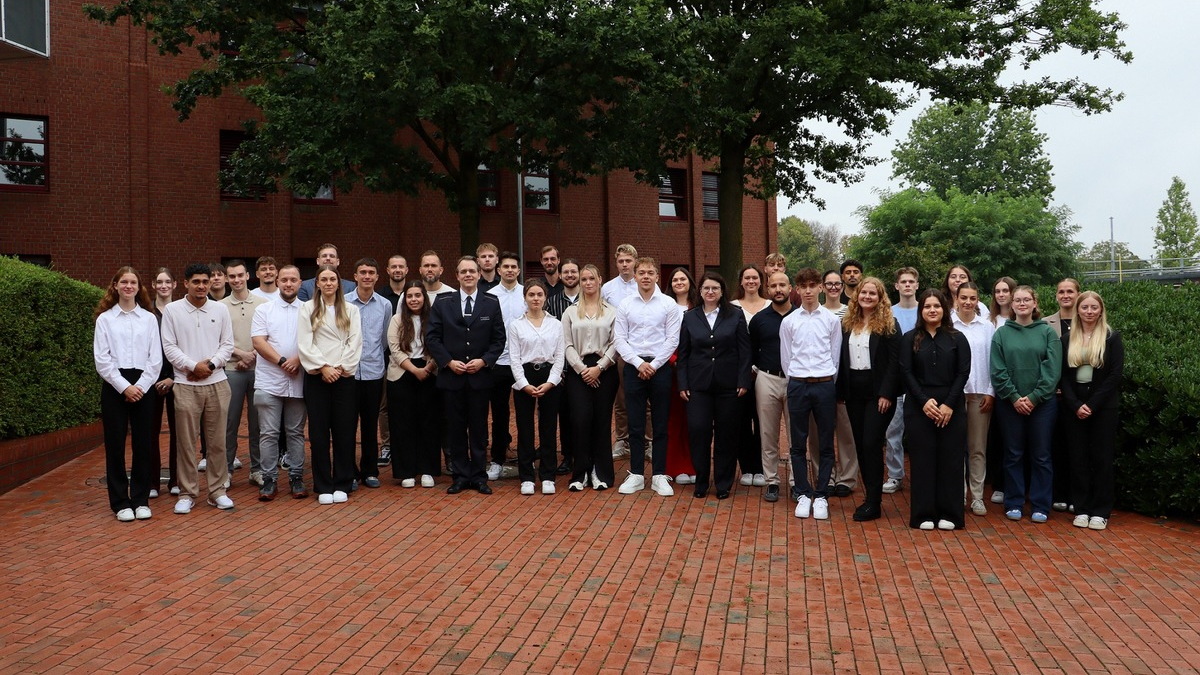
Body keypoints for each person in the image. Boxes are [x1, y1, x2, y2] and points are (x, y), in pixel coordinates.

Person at [427, 256, 507, 494]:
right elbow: (432, 337)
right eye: (464, 272)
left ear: (479, 274)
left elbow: (499, 339)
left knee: (479, 429)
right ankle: (461, 476)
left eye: (472, 271)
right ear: (457, 275)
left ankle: (479, 476)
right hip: (452, 377)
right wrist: (448, 362)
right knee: (456, 428)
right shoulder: (443, 302)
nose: (468, 275)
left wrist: (484, 361)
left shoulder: (491, 303)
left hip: (480, 378)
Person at [160, 263, 235, 514]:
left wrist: (210, 366)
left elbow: (227, 344)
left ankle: (217, 491)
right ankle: (187, 493)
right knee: (186, 443)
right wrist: (193, 366)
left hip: (217, 383)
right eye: (196, 282)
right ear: (186, 283)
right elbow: (169, 347)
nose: (201, 286)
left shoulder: (220, 309)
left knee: (217, 442)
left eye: (205, 281)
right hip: (185, 384)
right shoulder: (172, 310)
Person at [94, 267, 162, 521]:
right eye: (124, 282)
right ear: (115, 285)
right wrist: (125, 387)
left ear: (138, 287)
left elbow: (155, 358)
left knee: (144, 443)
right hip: (115, 386)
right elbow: (102, 360)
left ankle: (141, 499)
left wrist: (140, 386)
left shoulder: (149, 319)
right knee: (115, 445)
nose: (128, 286)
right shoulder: (105, 320)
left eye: (133, 282)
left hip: (144, 384)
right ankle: (121, 502)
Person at [900, 289, 971, 530]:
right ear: (921, 310)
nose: (932, 310)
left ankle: (950, 514)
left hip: (951, 406)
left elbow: (963, 372)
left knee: (951, 460)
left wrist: (949, 404)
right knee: (922, 460)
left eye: (937, 306)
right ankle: (923, 514)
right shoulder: (910, 338)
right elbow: (906, 372)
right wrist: (923, 401)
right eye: (927, 306)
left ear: (944, 309)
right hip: (919, 406)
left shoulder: (957, 338)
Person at [990, 285, 1061, 523]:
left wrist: (1034, 397)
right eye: (1018, 300)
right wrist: (1014, 397)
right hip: (1009, 404)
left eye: (1026, 299)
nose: (1022, 303)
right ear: (1011, 305)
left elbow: (1052, 370)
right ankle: (1014, 502)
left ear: (1034, 303)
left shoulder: (1047, 332)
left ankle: (1041, 505)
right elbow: (997, 370)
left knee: (1041, 455)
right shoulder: (1002, 334)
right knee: (1013, 454)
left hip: (1042, 405)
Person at [678, 272, 751, 499]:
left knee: (726, 435)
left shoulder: (735, 315)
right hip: (698, 385)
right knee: (698, 431)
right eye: (706, 288)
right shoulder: (690, 317)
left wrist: (743, 380)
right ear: (700, 291)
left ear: (722, 292)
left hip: (729, 385)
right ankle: (701, 481)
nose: (710, 292)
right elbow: (684, 353)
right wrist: (683, 383)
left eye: (715, 288)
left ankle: (723, 483)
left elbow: (745, 351)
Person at [614, 257, 682, 496]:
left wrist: (653, 365)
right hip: (633, 367)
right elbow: (619, 339)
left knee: (661, 423)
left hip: (660, 367)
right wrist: (639, 363)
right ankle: (635, 474)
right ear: (635, 276)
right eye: (641, 272)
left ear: (656, 276)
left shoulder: (668, 304)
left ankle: (659, 475)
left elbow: (672, 339)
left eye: (650, 273)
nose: (645, 276)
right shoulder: (625, 304)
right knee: (635, 423)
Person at [837, 277, 902, 522]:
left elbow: (895, 362)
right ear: (857, 295)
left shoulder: (889, 324)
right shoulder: (847, 323)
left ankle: (874, 502)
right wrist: (840, 391)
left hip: (879, 394)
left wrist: (887, 393)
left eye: (872, 293)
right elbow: (841, 357)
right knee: (861, 445)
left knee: (871, 443)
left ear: (880, 297)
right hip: (854, 392)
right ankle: (869, 497)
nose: (867, 297)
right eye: (864, 292)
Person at [298, 264, 363, 505]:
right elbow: (305, 343)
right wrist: (323, 367)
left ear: (338, 283)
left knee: (344, 431)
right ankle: (323, 484)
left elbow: (355, 342)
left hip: (343, 377)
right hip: (318, 377)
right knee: (318, 433)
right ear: (317, 283)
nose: (328, 283)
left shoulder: (351, 310)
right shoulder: (307, 308)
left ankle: (343, 482)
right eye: (323, 279)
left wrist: (340, 368)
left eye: (332, 279)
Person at [1060, 291, 1124, 531]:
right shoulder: (1067, 339)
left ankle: (1100, 511)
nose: (1089, 311)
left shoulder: (1111, 337)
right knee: (1078, 459)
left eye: (1093, 307)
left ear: (1100, 310)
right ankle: (1082, 508)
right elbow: (1062, 376)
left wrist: (1092, 404)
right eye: (1084, 307)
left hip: (1103, 406)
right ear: (1078, 310)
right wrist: (1076, 404)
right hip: (1074, 406)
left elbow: (1115, 374)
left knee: (1102, 458)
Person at [781, 268, 840, 520]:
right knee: (797, 443)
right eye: (803, 286)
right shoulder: (789, 321)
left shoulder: (831, 320)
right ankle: (803, 493)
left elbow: (835, 356)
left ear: (820, 288)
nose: (807, 291)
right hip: (798, 385)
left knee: (826, 442)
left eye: (812, 285)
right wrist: (796, 380)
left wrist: (827, 381)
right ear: (797, 289)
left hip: (824, 384)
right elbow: (786, 358)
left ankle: (822, 495)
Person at [250, 264, 308, 500]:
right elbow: (258, 342)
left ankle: (296, 477)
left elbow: (315, 341)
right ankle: (269, 479)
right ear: (277, 282)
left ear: (300, 283)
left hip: (299, 379)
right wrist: (283, 361)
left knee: (295, 432)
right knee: (268, 433)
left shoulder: (309, 310)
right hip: (269, 380)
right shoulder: (264, 310)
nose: (288, 284)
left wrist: (298, 360)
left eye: (293, 280)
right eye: (284, 280)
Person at [562, 264, 619, 491]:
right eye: (584, 279)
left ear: (599, 280)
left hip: (605, 369)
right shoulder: (570, 312)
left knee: (601, 422)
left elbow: (616, 343)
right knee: (580, 420)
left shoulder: (612, 311)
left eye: (591, 278)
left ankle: (600, 473)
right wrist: (582, 369)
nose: (588, 283)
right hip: (578, 370)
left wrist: (600, 367)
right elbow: (566, 344)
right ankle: (580, 474)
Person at [509, 279, 566, 495]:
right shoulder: (516, 325)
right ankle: (526, 477)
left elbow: (559, 356)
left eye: (539, 294)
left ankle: (548, 475)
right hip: (524, 375)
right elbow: (514, 358)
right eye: (531, 294)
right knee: (525, 428)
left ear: (545, 297)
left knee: (548, 427)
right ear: (525, 297)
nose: (535, 298)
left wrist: (551, 382)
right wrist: (523, 384)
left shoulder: (556, 324)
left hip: (549, 375)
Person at [386, 280, 441, 488]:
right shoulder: (397, 320)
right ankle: (406, 471)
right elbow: (394, 349)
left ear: (424, 298)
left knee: (429, 423)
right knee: (403, 424)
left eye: (418, 295)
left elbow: (440, 344)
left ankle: (427, 470)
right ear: (404, 299)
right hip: (402, 373)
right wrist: (414, 370)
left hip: (429, 372)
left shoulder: (434, 319)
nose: (414, 299)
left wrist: (429, 367)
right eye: (410, 296)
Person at [220, 259, 267, 486]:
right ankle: (226, 470)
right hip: (232, 370)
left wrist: (252, 356)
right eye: (232, 276)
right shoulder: (220, 307)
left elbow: (269, 335)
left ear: (248, 276)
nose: (236, 280)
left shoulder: (263, 304)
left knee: (258, 423)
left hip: (260, 369)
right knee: (230, 422)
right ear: (226, 279)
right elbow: (218, 339)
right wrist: (241, 355)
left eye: (240, 275)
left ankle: (257, 469)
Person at [346, 257, 391, 490]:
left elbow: (384, 340)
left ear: (377, 277)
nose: (367, 276)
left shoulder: (385, 305)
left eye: (371, 273)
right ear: (355, 276)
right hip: (348, 373)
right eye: (362, 272)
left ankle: (370, 471)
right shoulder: (343, 302)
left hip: (373, 372)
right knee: (347, 424)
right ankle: (350, 472)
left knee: (370, 424)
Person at [952, 282, 996, 517]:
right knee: (956, 448)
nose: (968, 302)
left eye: (972, 298)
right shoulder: (948, 325)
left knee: (977, 448)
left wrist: (991, 391)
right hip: (955, 396)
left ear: (978, 300)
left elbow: (993, 361)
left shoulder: (987, 327)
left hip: (980, 394)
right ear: (956, 299)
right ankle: (958, 495)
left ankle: (977, 497)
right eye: (964, 297)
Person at [750, 271, 794, 503]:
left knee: (796, 433)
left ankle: (796, 481)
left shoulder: (800, 316)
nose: (778, 289)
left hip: (795, 380)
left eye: (782, 285)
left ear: (790, 288)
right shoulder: (759, 320)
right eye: (774, 286)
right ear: (768, 289)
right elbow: (752, 350)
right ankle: (772, 481)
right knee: (768, 433)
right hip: (767, 378)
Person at [485, 251, 525, 480]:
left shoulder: (527, 294)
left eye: (513, 266)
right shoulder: (489, 296)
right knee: (499, 414)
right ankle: (497, 460)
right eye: (506, 267)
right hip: (498, 363)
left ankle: (526, 458)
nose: (510, 270)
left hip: (523, 362)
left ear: (518, 270)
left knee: (525, 413)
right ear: (498, 270)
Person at [1044, 277, 1081, 512]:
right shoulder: (1045, 324)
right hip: (1052, 395)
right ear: (1056, 296)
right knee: (1055, 446)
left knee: (1075, 448)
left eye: (1070, 291)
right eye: (1061, 292)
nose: (1065, 295)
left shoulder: (1087, 322)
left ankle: (1076, 495)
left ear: (1078, 294)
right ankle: (1058, 493)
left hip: (1077, 396)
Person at [883, 266, 920, 495]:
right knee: (893, 431)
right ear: (896, 286)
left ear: (917, 285)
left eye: (911, 281)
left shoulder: (925, 310)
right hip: (897, 381)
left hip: (920, 381)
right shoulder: (889, 313)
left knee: (919, 433)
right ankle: (895, 475)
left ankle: (922, 475)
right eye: (903, 282)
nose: (907, 285)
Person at [731, 264, 767, 487]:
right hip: (739, 373)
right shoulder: (731, 307)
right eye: (747, 278)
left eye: (755, 277)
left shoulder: (770, 306)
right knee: (742, 421)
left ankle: (761, 468)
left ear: (761, 281)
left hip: (765, 373)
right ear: (741, 282)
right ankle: (746, 467)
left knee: (763, 421)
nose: (751, 281)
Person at [602, 243, 639, 459]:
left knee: (645, 400)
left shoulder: (644, 284)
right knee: (621, 398)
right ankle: (622, 440)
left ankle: (646, 442)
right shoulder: (607, 289)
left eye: (628, 261)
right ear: (616, 263)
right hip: (616, 351)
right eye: (621, 261)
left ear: (635, 262)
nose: (625, 265)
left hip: (641, 348)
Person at [546, 258, 582, 475]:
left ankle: (585, 455)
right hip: (561, 369)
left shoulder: (589, 299)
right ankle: (568, 456)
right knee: (565, 416)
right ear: (560, 275)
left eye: (573, 271)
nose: (570, 275)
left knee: (583, 415)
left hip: (585, 367)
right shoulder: (552, 302)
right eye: (566, 272)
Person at [986, 275, 1018, 504]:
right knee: (996, 438)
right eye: (998, 291)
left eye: (1005, 290)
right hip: (993, 387)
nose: (1001, 295)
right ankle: (998, 484)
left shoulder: (1022, 320)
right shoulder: (988, 321)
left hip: (1017, 389)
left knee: (1014, 441)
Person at [665, 267, 698, 485]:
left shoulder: (699, 306)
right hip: (672, 368)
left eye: (682, 279)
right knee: (674, 419)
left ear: (690, 282)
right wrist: (673, 361)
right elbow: (659, 337)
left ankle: (692, 465)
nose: (679, 282)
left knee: (694, 421)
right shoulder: (664, 306)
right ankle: (674, 467)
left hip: (697, 369)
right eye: (675, 279)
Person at [375, 254, 408, 466]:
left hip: (410, 360)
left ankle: (406, 444)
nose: (397, 270)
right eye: (393, 266)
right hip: (386, 359)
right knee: (385, 406)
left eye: (400, 267)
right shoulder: (381, 297)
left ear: (406, 270)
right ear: (387, 270)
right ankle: (387, 445)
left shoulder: (413, 294)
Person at [150, 267, 178, 497]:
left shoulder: (180, 311)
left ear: (174, 285)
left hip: (178, 377)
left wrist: (173, 378)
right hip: (151, 379)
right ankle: (151, 483)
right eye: (159, 282)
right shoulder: (145, 312)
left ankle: (176, 481)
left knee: (179, 431)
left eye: (167, 281)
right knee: (150, 431)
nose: (163, 286)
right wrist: (154, 378)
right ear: (153, 285)